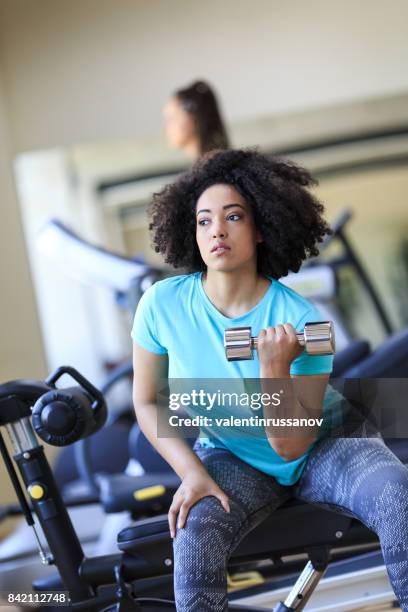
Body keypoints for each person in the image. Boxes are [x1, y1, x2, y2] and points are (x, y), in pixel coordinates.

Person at [132, 149, 408, 611]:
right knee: (195, 534)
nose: (216, 229)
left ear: (261, 229)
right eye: (204, 221)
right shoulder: (162, 305)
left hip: (327, 443)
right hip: (231, 452)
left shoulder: (300, 318)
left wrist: (275, 366)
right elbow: (147, 402)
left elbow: (292, 448)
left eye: (233, 216)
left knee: (398, 497)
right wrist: (192, 473)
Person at [163, 80, 229, 161]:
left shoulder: (215, 169)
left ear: (193, 117)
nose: (166, 129)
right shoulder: (213, 164)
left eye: (172, 118)